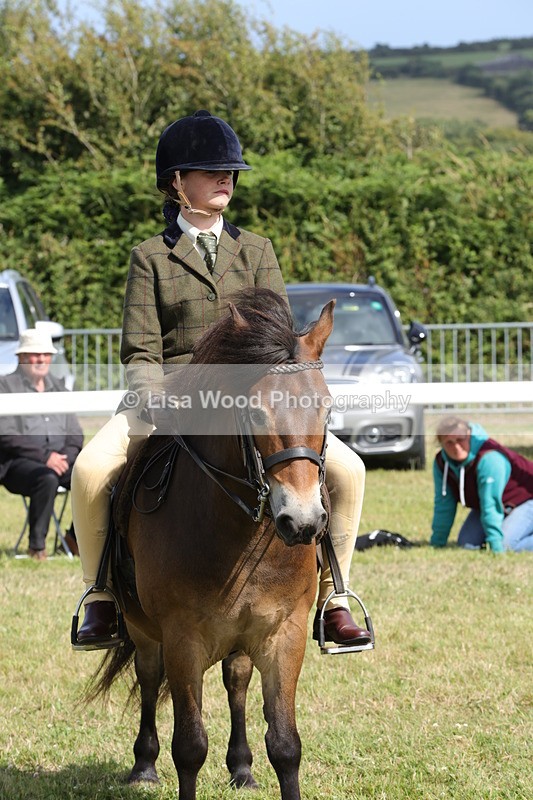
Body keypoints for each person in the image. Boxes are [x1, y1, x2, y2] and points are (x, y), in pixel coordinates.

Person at [71, 110, 370, 650]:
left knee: (348, 469)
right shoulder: (150, 258)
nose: (226, 179)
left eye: (230, 171)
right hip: (166, 400)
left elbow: (279, 339)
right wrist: (162, 403)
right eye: (212, 171)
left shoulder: (256, 250)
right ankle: (101, 598)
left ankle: (334, 598)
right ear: (176, 182)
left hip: (256, 401)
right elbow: (141, 349)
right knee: (90, 469)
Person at [0, 328, 83, 560]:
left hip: (60, 461)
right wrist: (46, 457)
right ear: (21, 357)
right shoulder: (5, 387)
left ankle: (73, 540)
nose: (41, 359)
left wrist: (64, 457)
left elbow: (75, 434)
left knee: (91, 476)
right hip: (18, 464)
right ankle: (37, 548)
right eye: (34, 354)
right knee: (46, 478)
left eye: (45, 354)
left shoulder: (60, 387)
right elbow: (6, 435)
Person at [431, 416, 533, 553]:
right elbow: (444, 504)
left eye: (460, 440)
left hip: (526, 500)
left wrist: (496, 547)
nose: (456, 446)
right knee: (466, 544)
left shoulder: (490, 458)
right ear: (441, 444)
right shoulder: (441, 463)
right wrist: (437, 543)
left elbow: (490, 504)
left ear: (469, 436)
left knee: (505, 545)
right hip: (499, 505)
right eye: (449, 442)